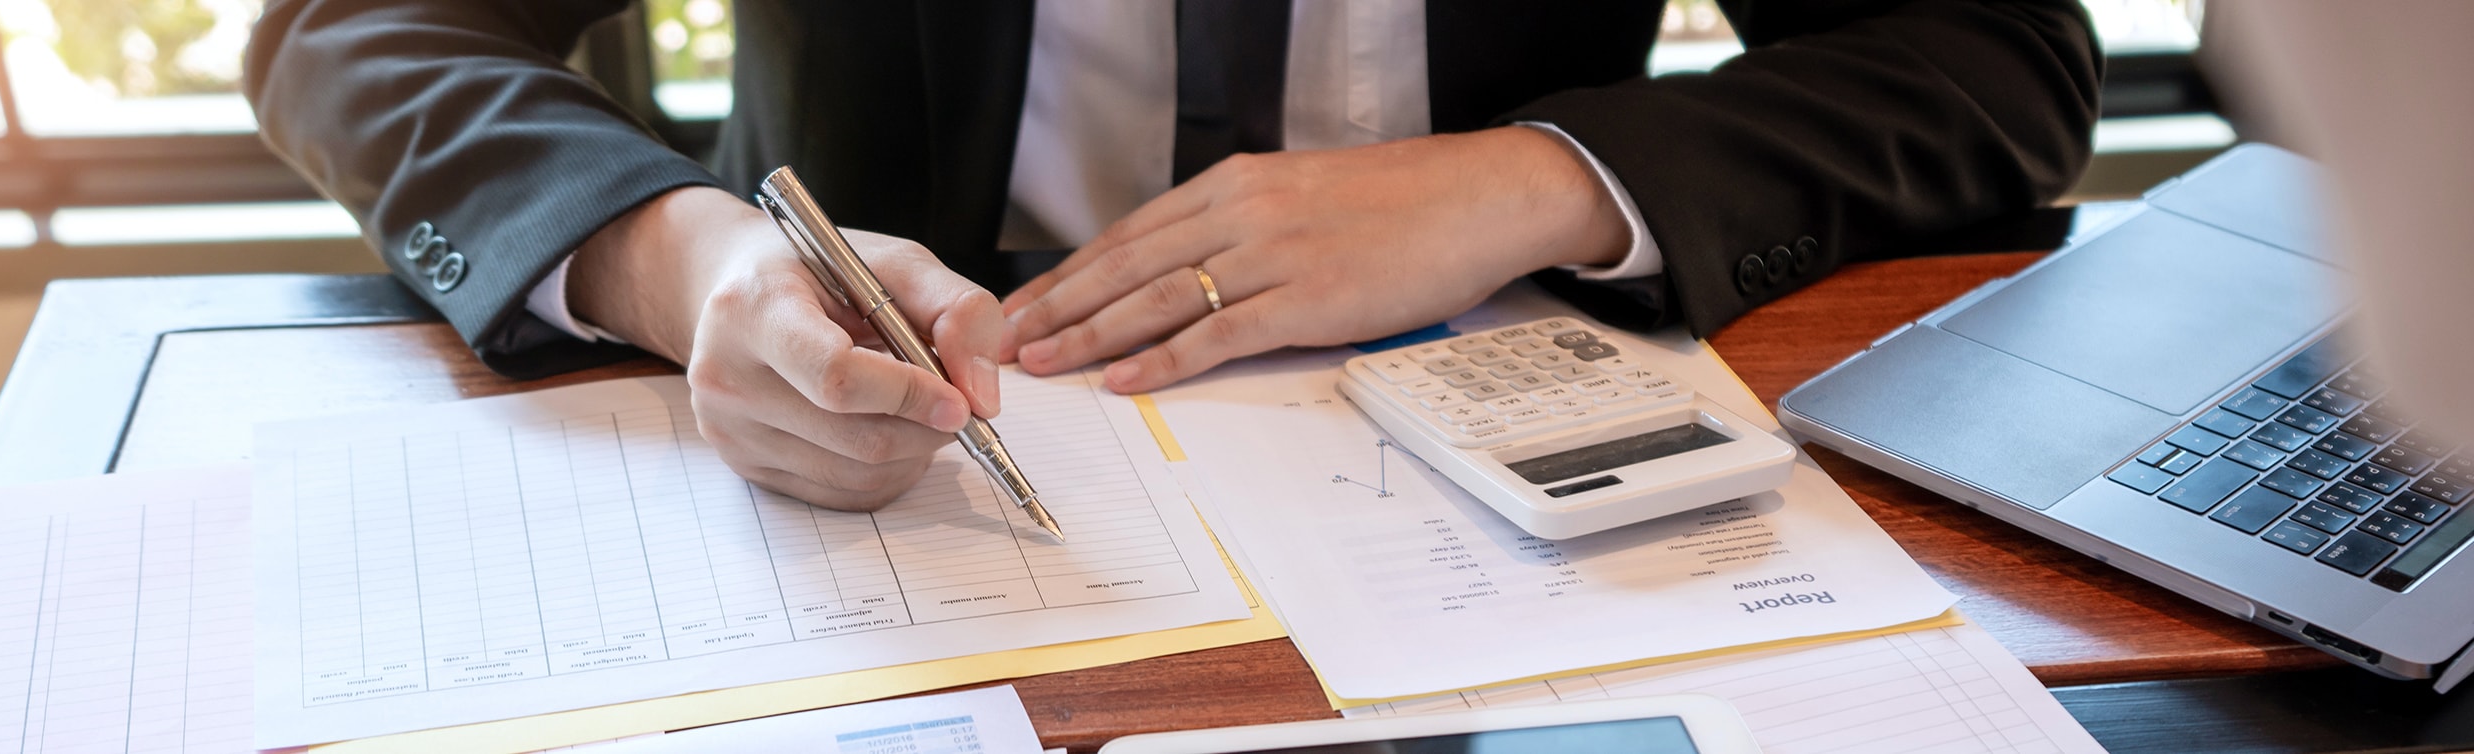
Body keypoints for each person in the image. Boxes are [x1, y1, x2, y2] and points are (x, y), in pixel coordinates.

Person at [244, 0, 2101, 511]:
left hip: (1484, 440)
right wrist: (681, 260)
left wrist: (1538, 174)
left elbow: (2002, 58)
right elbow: (348, 32)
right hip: (913, 426)